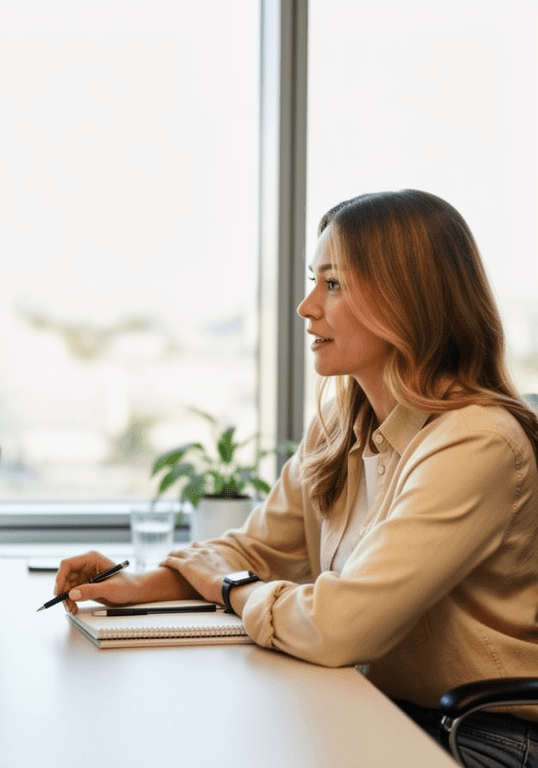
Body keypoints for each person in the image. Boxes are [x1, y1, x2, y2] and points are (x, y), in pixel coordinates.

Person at [55, 190, 538, 768]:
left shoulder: (476, 441)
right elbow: (256, 549)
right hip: (373, 704)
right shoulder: (342, 421)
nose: (308, 306)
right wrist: (137, 585)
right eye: (315, 280)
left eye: (333, 284)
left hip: (480, 736)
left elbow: (338, 626)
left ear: (404, 300)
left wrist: (232, 589)